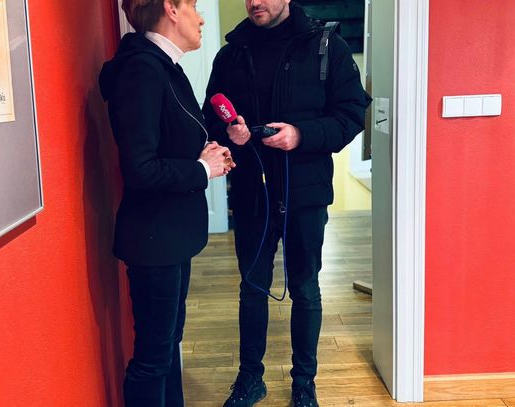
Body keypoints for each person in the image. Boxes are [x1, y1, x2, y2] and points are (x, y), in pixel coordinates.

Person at [203, 0, 371, 406]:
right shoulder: (231, 54)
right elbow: (210, 116)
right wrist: (230, 134)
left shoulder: (327, 46)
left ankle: (304, 383)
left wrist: (301, 135)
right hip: (252, 192)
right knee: (251, 288)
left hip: (306, 192)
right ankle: (250, 379)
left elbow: (351, 115)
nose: (254, 2)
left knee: (305, 289)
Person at [99, 0, 235, 405]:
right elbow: (141, 168)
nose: (201, 17)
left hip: (171, 236)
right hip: (153, 238)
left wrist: (209, 151)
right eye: (193, 5)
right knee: (153, 359)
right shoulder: (142, 70)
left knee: (168, 343)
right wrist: (202, 169)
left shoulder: (165, 66)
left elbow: (170, 142)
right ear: (170, 9)